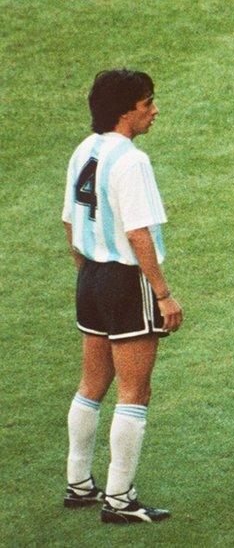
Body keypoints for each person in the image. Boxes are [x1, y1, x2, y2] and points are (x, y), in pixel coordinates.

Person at [61, 69, 183, 524]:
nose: (154, 110)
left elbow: (70, 222)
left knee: (91, 384)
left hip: (90, 276)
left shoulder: (83, 151)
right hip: (125, 282)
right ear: (125, 110)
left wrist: (87, 272)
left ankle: (78, 484)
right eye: (147, 102)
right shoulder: (133, 161)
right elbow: (138, 234)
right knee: (135, 389)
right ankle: (119, 498)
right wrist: (164, 294)